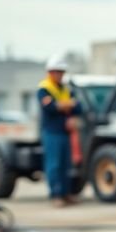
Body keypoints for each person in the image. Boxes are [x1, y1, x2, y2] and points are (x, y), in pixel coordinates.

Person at [37, 54, 82, 207]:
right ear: (50, 72)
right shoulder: (44, 89)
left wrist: (63, 105)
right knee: (54, 165)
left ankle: (66, 193)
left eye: (61, 71)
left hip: (65, 132)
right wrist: (67, 105)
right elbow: (50, 107)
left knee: (65, 165)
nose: (59, 74)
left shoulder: (66, 89)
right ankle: (55, 195)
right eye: (57, 71)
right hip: (51, 132)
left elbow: (78, 107)